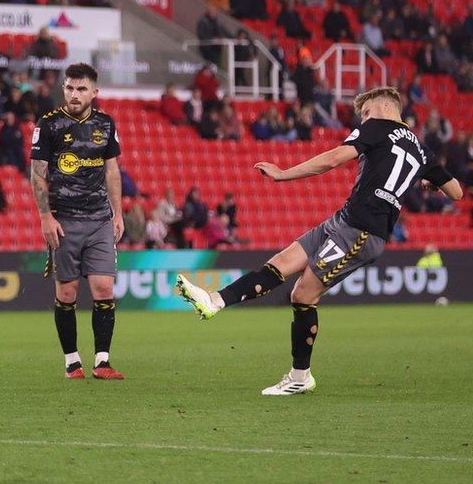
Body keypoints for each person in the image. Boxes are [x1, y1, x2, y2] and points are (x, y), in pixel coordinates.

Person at [176, 87, 463, 395]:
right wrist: (428, 180)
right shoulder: (422, 150)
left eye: (364, 113)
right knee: (281, 264)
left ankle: (300, 377)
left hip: (361, 229)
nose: (362, 120)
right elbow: (457, 191)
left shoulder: (378, 125)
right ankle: (214, 301)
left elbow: (334, 159)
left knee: (302, 294)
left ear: (382, 107)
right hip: (346, 220)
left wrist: (283, 174)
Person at [30, 63, 125, 381]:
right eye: (70, 87)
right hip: (64, 221)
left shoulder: (105, 123)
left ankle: (102, 361)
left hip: (99, 219)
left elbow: (112, 170)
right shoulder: (49, 124)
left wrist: (118, 213)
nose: (74, 94)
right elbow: (38, 174)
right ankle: (72, 361)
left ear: (94, 92)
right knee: (67, 293)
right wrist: (45, 216)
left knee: (103, 288)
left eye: (81, 88)